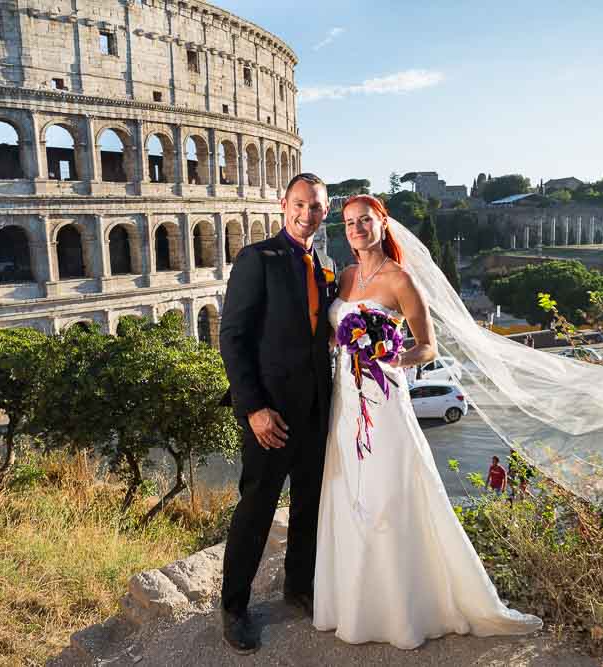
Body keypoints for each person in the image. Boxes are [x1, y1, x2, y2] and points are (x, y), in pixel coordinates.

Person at [315, 195, 542, 649]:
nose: (356, 228)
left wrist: (390, 355)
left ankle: (404, 610)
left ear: (382, 225)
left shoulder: (401, 280)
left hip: (384, 398)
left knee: (388, 492)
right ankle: (355, 605)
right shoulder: (343, 277)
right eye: (349, 222)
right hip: (346, 401)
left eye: (365, 220)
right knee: (348, 492)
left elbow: (428, 347)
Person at [218, 173, 337, 654]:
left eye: (316, 208)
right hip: (271, 413)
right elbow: (233, 337)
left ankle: (299, 587)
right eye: (300, 204)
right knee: (256, 508)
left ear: (324, 213)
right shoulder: (257, 259)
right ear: (283, 203)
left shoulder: (325, 266)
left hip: (316, 411)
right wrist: (253, 409)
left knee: (310, 504)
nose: (307, 214)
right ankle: (234, 606)